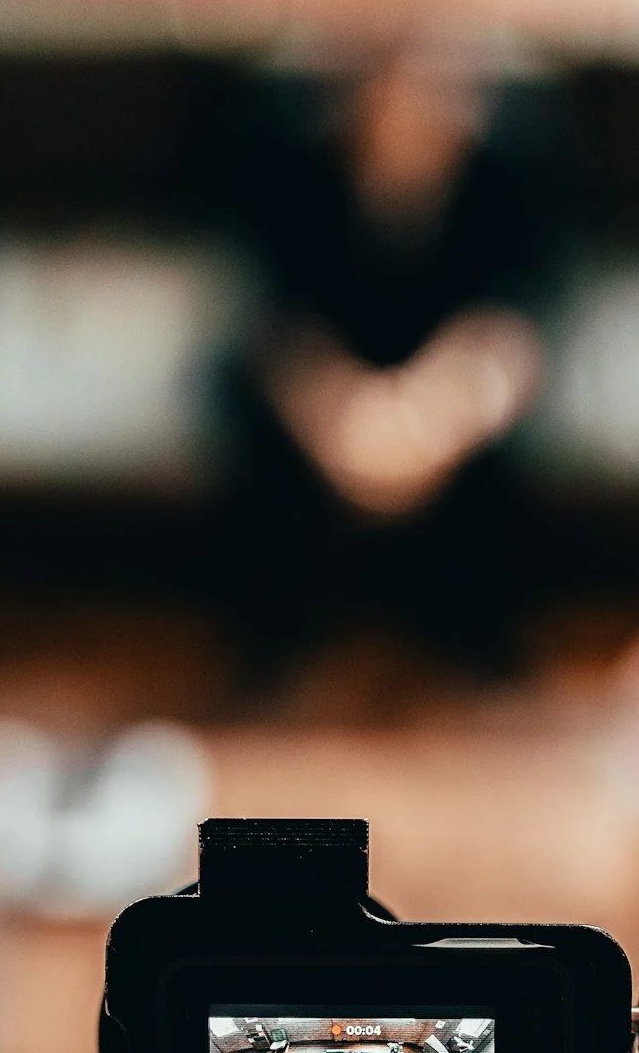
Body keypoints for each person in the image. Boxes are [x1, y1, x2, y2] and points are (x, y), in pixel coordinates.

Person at [220, 43, 561, 686]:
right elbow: (275, 329)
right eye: (389, 91)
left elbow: (515, 331)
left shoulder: (510, 178)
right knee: (249, 435)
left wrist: (432, 423)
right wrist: (341, 425)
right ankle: (276, 651)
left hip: (448, 413)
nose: (411, 111)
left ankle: (478, 647)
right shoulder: (292, 174)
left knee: (514, 461)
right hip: (331, 414)